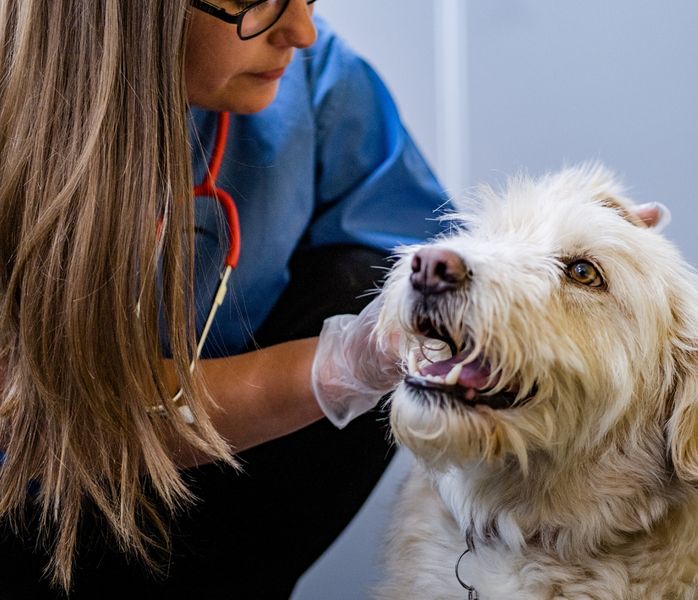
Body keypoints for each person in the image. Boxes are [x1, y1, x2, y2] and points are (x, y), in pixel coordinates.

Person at [0, 1, 447, 597]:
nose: (302, 31)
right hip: (33, 510)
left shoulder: (316, 78)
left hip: (225, 519)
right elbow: (51, 419)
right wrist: (336, 367)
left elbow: (439, 269)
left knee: (383, 285)